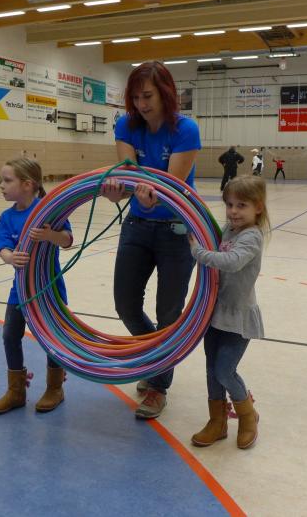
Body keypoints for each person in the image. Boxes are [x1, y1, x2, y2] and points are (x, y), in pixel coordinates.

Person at [101, 61, 201, 419]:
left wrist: (145, 193)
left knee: (168, 314)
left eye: (148, 96)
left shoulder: (185, 129)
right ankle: (154, 359)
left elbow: (169, 187)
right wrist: (117, 191)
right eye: (135, 97)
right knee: (125, 304)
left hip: (176, 229)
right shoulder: (126, 125)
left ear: (166, 94)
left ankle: (158, 384)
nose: (141, 104)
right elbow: (129, 179)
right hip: (138, 226)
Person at [188, 175, 269, 449]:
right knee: (212, 370)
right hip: (214, 312)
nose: (233, 211)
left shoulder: (252, 236)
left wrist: (198, 252)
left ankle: (248, 416)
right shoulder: (229, 230)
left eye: (241, 205)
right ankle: (217, 422)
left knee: (225, 370)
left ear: (258, 207)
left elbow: (232, 262)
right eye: (230, 205)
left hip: (237, 316)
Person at [0, 157, 74, 415]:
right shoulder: (6, 217)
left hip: (49, 291)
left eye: (7, 180)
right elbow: (2, 248)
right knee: (10, 335)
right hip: (21, 291)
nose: (1, 185)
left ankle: (55, 388)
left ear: (27, 184)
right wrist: (10, 258)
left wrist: (50, 235)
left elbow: (67, 240)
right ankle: (16, 392)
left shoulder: (48, 210)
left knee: (51, 338)